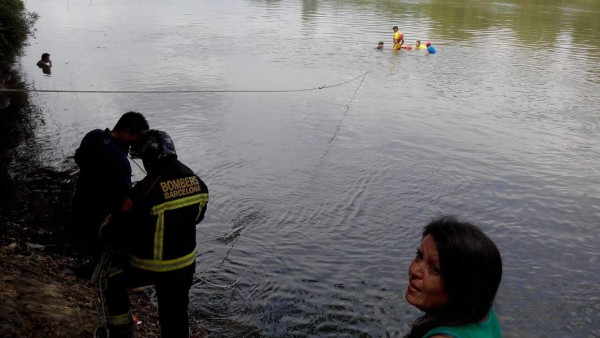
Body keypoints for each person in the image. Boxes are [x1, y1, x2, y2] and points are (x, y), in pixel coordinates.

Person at [98, 130, 209, 338]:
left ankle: (122, 331)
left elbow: (121, 229)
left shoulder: (145, 191)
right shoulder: (197, 183)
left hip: (150, 266)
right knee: (176, 315)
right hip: (184, 266)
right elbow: (197, 217)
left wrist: (104, 229)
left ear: (150, 157)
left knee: (110, 278)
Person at [70, 112, 149, 278]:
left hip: (81, 203)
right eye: (137, 137)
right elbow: (125, 195)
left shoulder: (94, 135)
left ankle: (92, 263)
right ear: (126, 132)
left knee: (90, 240)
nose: (138, 143)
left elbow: (78, 158)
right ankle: (101, 273)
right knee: (105, 245)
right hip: (100, 212)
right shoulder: (119, 160)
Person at [404, 216, 502, 338]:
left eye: (434, 269)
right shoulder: (483, 314)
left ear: (461, 287)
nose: (414, 270)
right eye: (419, 256)